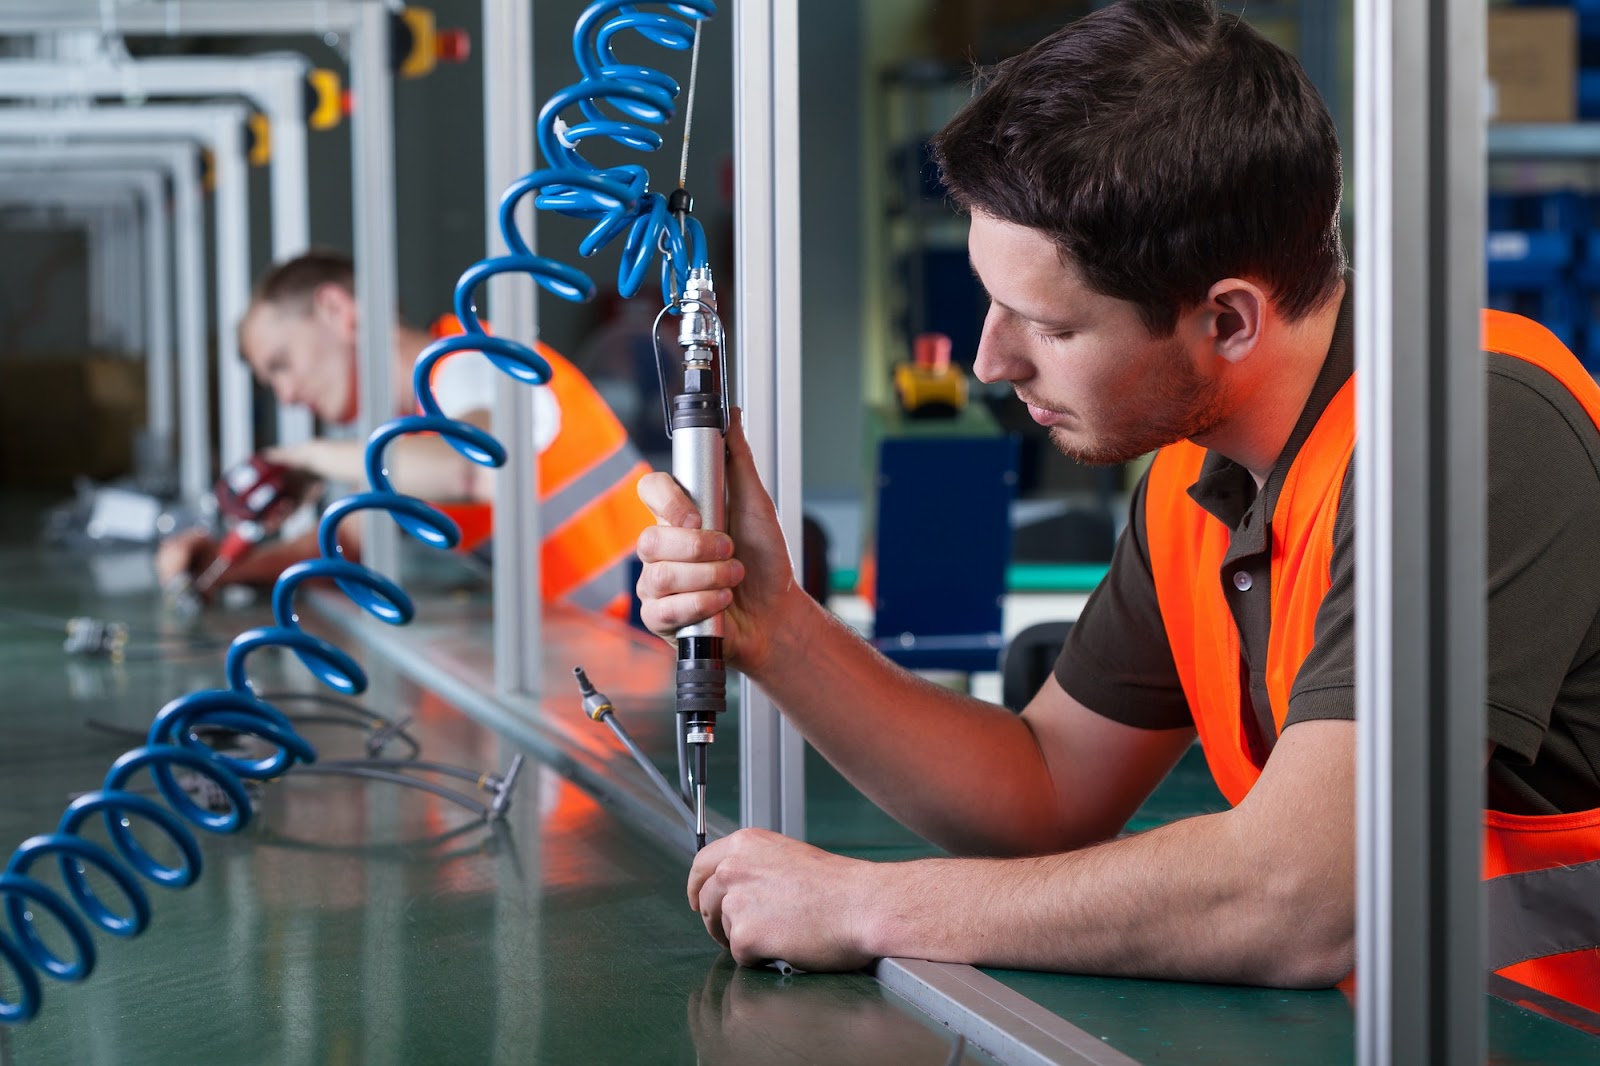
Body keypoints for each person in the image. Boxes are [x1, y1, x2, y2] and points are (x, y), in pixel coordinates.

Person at [634, 0, 1600, 1004]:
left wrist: (868, 903)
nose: (987, 359)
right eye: (988, 302)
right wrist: (778, 627)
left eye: (1044, 324)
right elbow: (1046, 789)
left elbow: (1299, 899)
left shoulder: (1472, 431)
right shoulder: (1200, 476)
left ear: (1225, 319)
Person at [156, 250, 655, 618]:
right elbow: (347, 543)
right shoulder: (411, 433)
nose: (285, 396)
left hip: (652, 619)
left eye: (282, 364)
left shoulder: (468, 359)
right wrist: (224, 568)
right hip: (610, 636)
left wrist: (305, 456)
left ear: (337, 311)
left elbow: (469, 468)